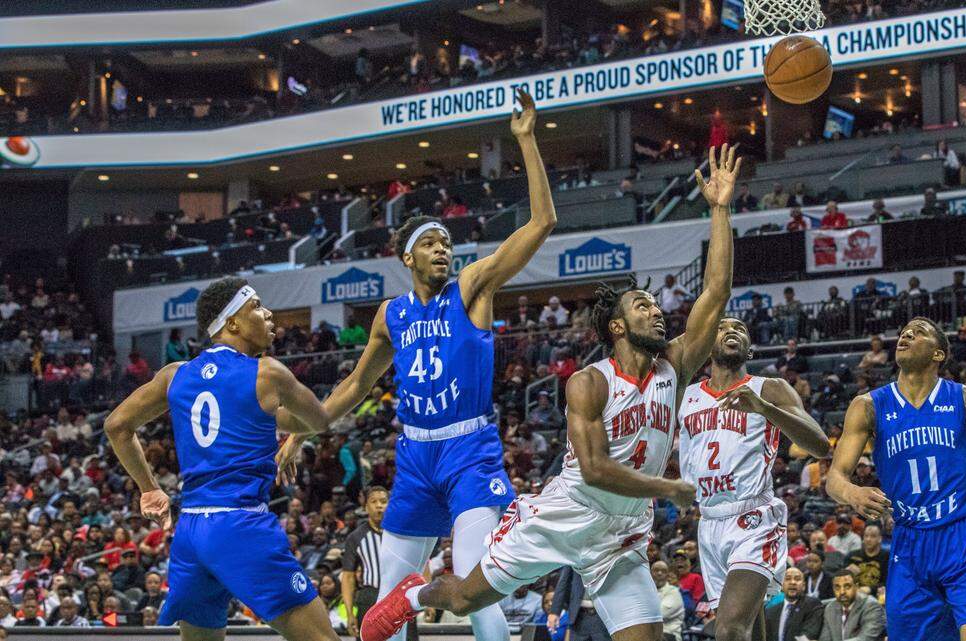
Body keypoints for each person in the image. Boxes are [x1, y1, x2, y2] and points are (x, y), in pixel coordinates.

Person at [361, 144, 741, 641]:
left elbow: (716, 291)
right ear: (617, 327)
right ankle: (414, 594)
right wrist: (668, 489)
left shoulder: (675, 365)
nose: (657, 311)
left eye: (655, 304)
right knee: (466, 597)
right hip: (565, 513)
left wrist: (719, 209)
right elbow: (595, 469)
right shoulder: (588, 382)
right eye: (642, 306)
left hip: (619, 534)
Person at [280, 90, 556, 641]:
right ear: (407, 257)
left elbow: (541, 222)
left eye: (446, 243)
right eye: (429, 243)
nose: (441, 250)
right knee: (385, 608)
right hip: (414, 458)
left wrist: (525, 141)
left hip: (468, 453)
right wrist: (300, 432)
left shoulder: (471, 288)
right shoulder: (391, 314)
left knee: (478, 589)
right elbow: (356, 384)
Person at [103, 277, 339, 640]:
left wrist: (149, 489)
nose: (268, 314)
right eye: (257, 307)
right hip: (240, 525)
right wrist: (296, 438)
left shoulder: (175, 375)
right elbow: (320, 420)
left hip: (191, 533)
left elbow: (117, 425)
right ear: (233, 323)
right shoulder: (268, 373)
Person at [826, 317, 966, 641]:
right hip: (909, 542)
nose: (906, 335)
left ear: (939, 354)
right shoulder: (868, 406)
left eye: (918, 333)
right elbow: (833, 479)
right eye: (904, 332)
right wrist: (853, 493)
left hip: (963, 536)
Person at [677, 316, 829, 641]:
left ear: (749, 348)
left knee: (729, 629)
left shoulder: (770, 388)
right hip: (709, 522)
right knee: (748, 626)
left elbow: (819, 444)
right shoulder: (686, 396)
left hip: (753, 519)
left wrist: (763, 409)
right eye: (721, 326)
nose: (731, 330)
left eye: (740, 328)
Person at [342, 487, 390, 638]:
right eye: (373, 501)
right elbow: (348, 577)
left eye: (383, 501)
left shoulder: (401, 534)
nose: (379, 505)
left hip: (399, 597)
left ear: (390, 505)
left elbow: (423, 565)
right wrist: (350, 613)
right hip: (370, 597)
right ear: (365, 507)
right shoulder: (356, 537)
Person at [819, 570, 885, 641]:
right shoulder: (830, 608)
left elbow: (866, 638)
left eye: (847, 586)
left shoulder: (871, 606)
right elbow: (825, 638)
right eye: (837, 587)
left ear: (856, 587)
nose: (842, 592)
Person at [764, 567, 824, 641]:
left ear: (804, 586)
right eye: (788, 579)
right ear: (781, 586)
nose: (792, 582)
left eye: (797, 579)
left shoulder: (813, 605)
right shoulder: (770, 611)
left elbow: (808, 635)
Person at [651, 562, 684, 641]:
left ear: (667, 575)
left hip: (668, 634)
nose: (659, 573)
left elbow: (657, 616)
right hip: (648, 633)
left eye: (663, 571)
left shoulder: (673, 592)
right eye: (656, 570)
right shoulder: (645, 591)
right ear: (650, 573)